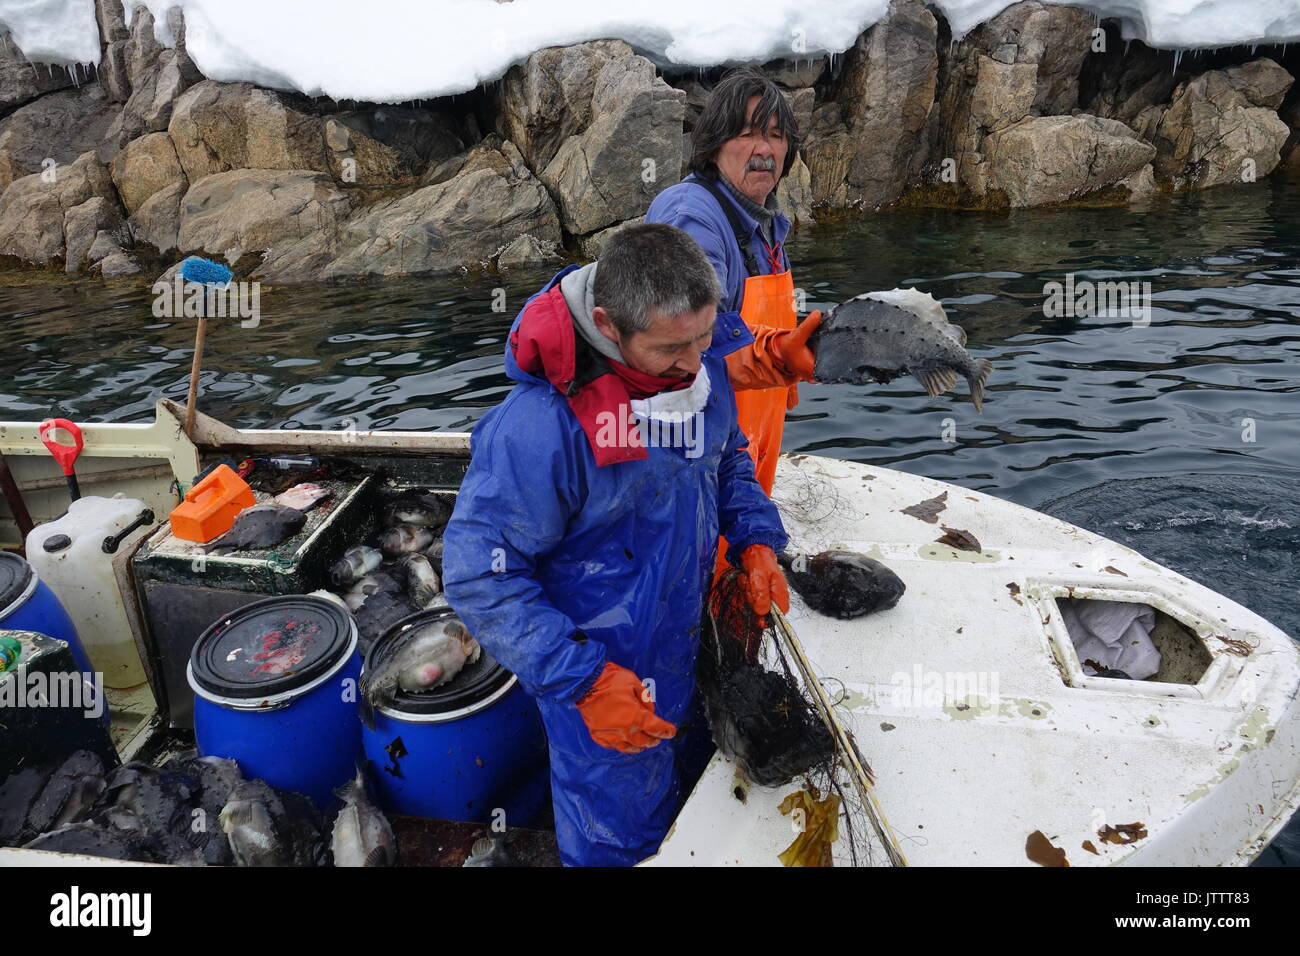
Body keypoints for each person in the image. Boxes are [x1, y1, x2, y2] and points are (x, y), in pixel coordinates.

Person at [442, 223, 790, 866]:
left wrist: (755, 538)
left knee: (694, 807)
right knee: (618, 842)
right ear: (608, 324)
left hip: (686, 642)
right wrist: (584, 679)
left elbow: (726, 459)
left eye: (705, 337)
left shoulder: (699, 365)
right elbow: (478, 575)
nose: (694, 362)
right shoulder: (538, 431)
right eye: (669, 349)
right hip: (599, 673)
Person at [646, 66, 820, 496]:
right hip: (691, 469)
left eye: (777, 135)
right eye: (746, 134)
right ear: (713, 145)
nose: (765, 149)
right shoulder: (692, 216)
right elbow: (683, 345)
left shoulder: (767, 224)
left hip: (743, 456)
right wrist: (779, 357)